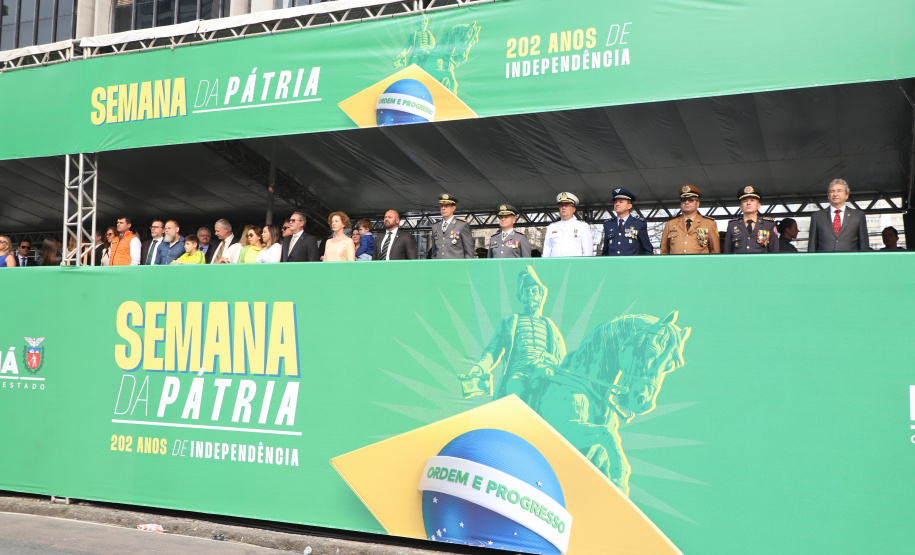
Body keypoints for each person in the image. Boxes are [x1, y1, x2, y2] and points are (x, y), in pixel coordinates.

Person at [458, 266, 566, 405]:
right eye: (526, 292)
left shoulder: (549, 325)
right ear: (520, 296)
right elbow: (492, 350)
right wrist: (479, 368)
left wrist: (554, 361)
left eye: (534, 291)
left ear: (541, 295)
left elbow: (563, 358)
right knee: (516, 392)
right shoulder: (509, 322)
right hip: (519, 372)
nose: (530, 295)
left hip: (545, 371)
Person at [807, 179, 869, 252]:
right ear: (828, 196)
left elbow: (864, 245)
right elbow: (812, 246)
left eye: (839, 191)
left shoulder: (858, 216)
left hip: (849, 258)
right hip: (825, 259)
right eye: (832, 191)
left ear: (847, 195)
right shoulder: (817, 217)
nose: (835, 194)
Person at [660, 185, 720, 254]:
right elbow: (664, 251)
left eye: (691, 200)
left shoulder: (709, 223)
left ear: (697, 204)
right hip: (676, 261)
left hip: (699, 261)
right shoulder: (670, 224)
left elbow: (715, 251)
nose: (686, 202)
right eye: (683, 200)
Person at [723, 186, 779, 253]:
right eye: (745, 201)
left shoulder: (769, 225)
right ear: (741, 207)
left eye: (752, 200)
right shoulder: (732, 225)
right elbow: (727, 252)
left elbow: (775, 251)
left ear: (759, 205)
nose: (748, 203)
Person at [602, 188, 653, 256]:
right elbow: (605, 251)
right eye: (616, 202)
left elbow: (647, 249)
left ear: (629, 206)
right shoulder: (608, 224)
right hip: (613, 262)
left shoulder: (638, 223)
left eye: (621, 202)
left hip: (632, 262)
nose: (617, 204)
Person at [543, 192, 593, 257]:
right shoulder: (551, 227)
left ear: (573, 209)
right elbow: (546, 251)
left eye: (567, 205)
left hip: (575, 263)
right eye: (561, 205)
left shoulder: (583, 226)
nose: (563, 208)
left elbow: (587, 253)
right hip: (555, 263)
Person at [429, 194, 474, 259]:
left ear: (453, 208)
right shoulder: (435, 226)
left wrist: (467, 265)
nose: (443, 208)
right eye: (442, 206)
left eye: (446, 206)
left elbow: (469, 251)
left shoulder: (462, 225)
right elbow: (434, 251)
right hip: (439, 264)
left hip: (456, 264)